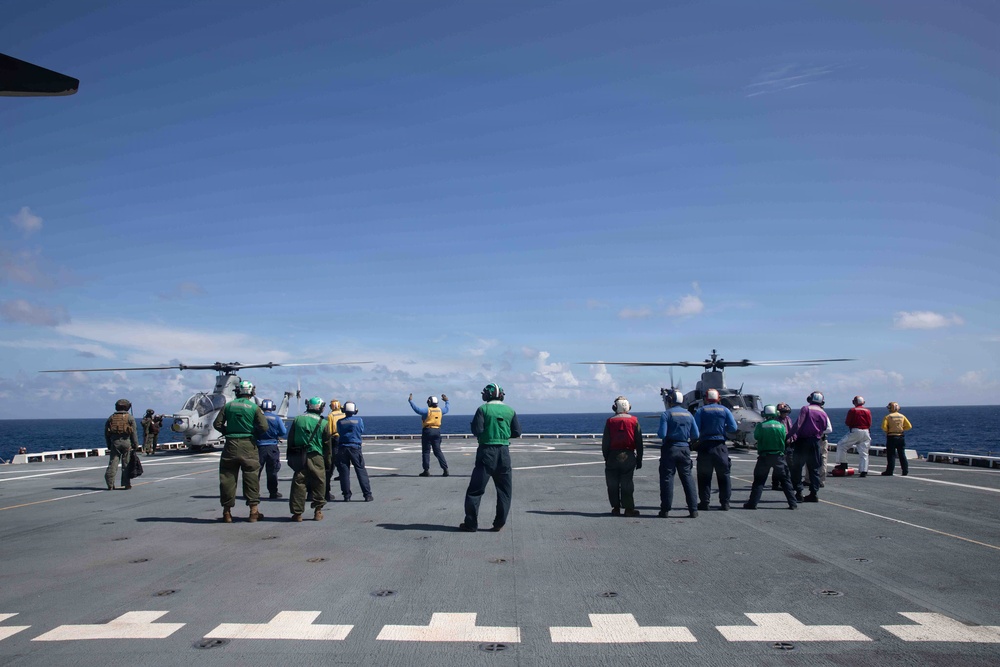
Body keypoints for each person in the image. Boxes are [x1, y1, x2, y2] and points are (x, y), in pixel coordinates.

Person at [459, 383, 522, 532]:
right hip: (504, 452)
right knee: (504, 490)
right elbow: (517, 432)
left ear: (487, 395)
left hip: (486, 451)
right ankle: (499, 523)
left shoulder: (483, 409)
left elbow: (477, 430)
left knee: (475, 490)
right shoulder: (510, 410)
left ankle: (471, 523)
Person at [213, 380, 268, 523]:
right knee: (251, 477)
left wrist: (228, 432)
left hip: (230, 445)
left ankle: (227, 513)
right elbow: (264, 427)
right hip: (248, 445)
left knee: (227, 478)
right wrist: (252, 433)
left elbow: (217, 424)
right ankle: (253, 512)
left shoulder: (228, 406)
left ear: (238, 391)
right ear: (251, 392)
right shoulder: (254, 407)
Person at [743, 405, 798, 510]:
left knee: (759, 481)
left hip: (764, 456)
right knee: (786, 480)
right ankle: (793, 503)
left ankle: (752, 503)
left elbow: (756, 437)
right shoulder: (781, 426)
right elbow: (784, 437)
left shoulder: (761, 426)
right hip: (778, 457)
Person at [656, 389, 699, 518]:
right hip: (685, 448)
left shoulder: (666, 414)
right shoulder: (689, 415)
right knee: (687, 478)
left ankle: (665, 510)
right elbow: (695, 435)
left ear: (670, 400)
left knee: (667, 479)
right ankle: (693, 510)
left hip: (670, 448)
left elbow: (662, 434)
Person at [693, 388, 738, 511]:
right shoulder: (725, 410)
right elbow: (733, 428)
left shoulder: (701, 411)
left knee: (704, 476)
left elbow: (695, 431)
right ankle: (725, 503)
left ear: (706, 399)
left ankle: (705, 502)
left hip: (705, 446)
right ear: (718, 399)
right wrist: (722, 428)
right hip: (720, 446)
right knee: (724, 475)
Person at [287, 397, 327, 521]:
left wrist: (290, 457)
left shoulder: (298, 419)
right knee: (319, 482)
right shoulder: (324, 423)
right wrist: (328, 461)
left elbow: (291, 439)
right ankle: (318, 511)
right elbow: (327, 444)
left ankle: (297, 513)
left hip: (300, 455)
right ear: (320, 408)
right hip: (316, 455)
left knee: (299, 482)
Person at [602, 396, 643, 517]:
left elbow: (606, 442)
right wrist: (639, 459)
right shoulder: (634, 421)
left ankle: (615, 508)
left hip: (613, 456)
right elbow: (639, 442)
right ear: (628, 407)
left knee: (612, 483)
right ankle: (629, 508)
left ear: (615, 407)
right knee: (627, 483)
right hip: (629, 455)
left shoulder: (610, 422)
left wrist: (606, 457)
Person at [789, 391, 833, 503]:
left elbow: (798, 424)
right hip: (815, 442)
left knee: (797, 467)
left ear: (810, 399)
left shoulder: (806, 409)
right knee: (814, 468)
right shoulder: (823, 413)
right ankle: (814, 493)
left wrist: (788, 436)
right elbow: (824, 428)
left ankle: (799, 492)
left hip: (802, 441)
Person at [336, 401, 372, 502]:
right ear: (355, 411)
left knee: (344, 473)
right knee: (361, 471)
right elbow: (361, 430)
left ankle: (346, 496)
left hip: (342, 448)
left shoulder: (339, 422)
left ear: (344, 410)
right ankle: (367, 495)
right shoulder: (359, 420)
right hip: (355, 448)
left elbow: (338, 431)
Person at [408, 392, 450, 477]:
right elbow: (447, 408)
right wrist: (447, 401)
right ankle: (445, 469)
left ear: (429, 402)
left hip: (427, 431)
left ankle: (426, 470)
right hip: (437, 431)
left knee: (426, 452)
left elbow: (417, 410)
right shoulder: (440, 410)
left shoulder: (427, 410)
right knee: (438, 451)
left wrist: (410, 401)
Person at [256, 398, 287, 500]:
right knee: (272, 471)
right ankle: (273, 492)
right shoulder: (276, 418)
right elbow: (283, 432)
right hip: (272, 446)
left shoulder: (257, 417)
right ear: (272, 407)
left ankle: (254, 492)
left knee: (257, 471)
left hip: (259, 446)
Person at [104, 398, 139, 490]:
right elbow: (134, 432)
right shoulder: (130, 417)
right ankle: (126, 483)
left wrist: (108, 444)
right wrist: (136, 444)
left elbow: (106, 433)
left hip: (114, 442)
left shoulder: (111, 417)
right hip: (126, 442)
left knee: (113, 463)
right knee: (126, 463)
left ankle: (110, 484)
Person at [835, 395, 873, 477]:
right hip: (866, 432)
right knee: (864, 452)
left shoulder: (853, 410)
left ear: (854, 402)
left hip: (856, 431)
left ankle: (843, 464)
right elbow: (869, 423)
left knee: (841, 445)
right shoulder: (867, 411)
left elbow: (848, 422)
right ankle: (864, 471)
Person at [881, 401, 913, 476]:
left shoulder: (888, 417)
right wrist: (901, 429)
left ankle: (889, 471)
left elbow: (884, 427)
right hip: (901, 436)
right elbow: (909, 426)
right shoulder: (902, 416)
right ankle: (905, 470)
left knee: (891, 455)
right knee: (902, 454)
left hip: (891, 437)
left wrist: (889, 430)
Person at [323, 399, 346, 500]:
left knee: (330, 466)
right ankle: (346, 492)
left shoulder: (331, 416)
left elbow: (329, 431)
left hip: (334, 439)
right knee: (343, 464)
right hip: (343, 439)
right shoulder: (343, 414)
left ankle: (326, 492)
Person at [770, 402, 795, 490]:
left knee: (790, 464)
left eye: (786, 412)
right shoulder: (776, 421)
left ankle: (789, 482)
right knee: (779, 465)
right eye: (783, 412)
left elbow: (791, 430)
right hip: (780, 445)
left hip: (789, 445)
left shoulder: (788, 419)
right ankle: (775, 483)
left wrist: (794, 439)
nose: (785, 414)